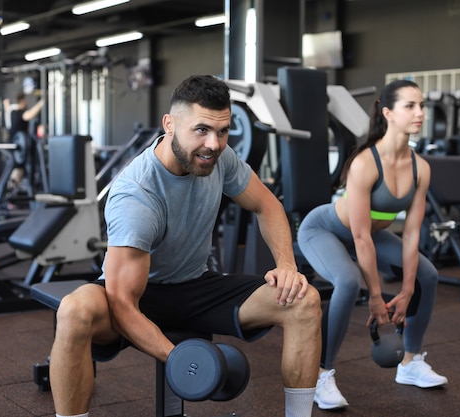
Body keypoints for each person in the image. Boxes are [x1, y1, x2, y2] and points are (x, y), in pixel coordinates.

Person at [48, 75, 322, 417]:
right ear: (170, 124)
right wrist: (179, 358)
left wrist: (286, 265)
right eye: (202, 130)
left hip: (196, 285)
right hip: (138, 295)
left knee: (303, 300)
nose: (213, 143)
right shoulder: (136, 195)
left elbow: (267, 204)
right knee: (74, 311)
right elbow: (122, 303)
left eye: (223, 131)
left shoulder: (219, 158)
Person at [297, 79, 447, 410]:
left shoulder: (421, 168)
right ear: (388, 112)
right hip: (325, 230)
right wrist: (377, 298)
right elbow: (360, 237)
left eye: (421, 105)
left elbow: (411, 233)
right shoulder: (366, 162)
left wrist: (406, 291)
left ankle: (410, 363)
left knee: (428, 275)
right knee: (348, 281)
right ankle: (321, 375)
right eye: (410, 106)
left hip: (372, 234)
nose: (420, 113)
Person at [3, 91, 44, 188]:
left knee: (18, 169)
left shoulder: (12, 111)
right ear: (22, 101)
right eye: (25, 100)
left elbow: (7, 107)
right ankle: (11, 194)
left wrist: (6, 103)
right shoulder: (19, 113)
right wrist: (42, 102)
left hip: (16, 144)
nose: (26, 102)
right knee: (18, 169)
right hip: (18, 146)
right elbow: (30, 114)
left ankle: (11, 193)